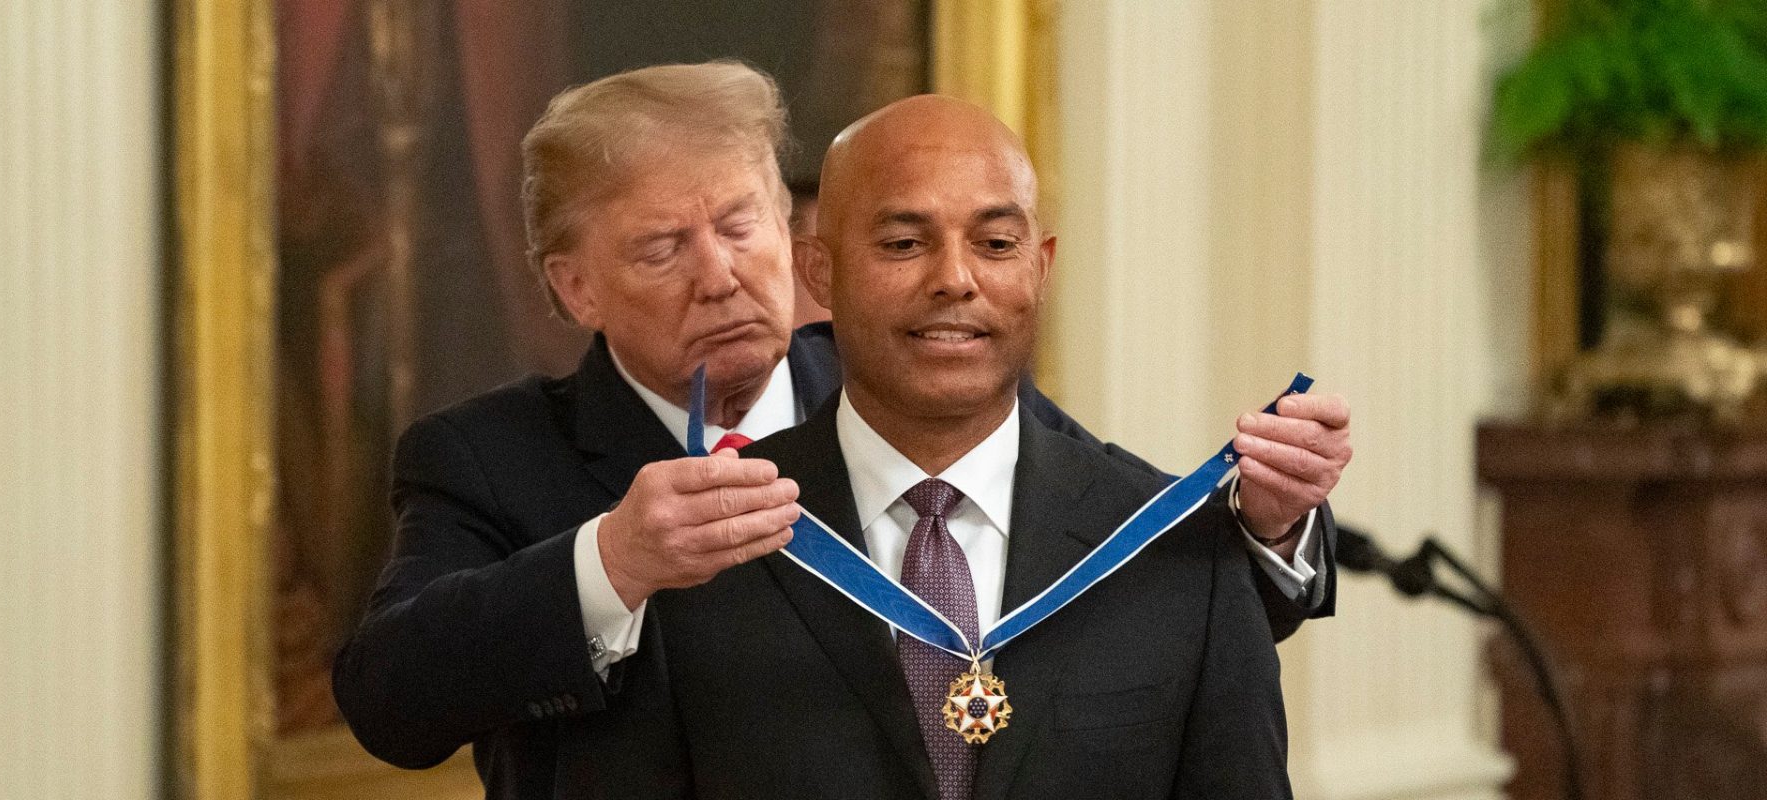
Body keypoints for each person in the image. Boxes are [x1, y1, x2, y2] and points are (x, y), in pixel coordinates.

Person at [333, 62, 1343, 796]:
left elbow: (1127, 569)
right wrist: (615, 562)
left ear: (798, 244)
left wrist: (1264, 527)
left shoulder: (923, 372)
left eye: (741, 225)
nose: (721, 274)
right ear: (574, 286)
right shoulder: (488, 458)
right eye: (662, 246)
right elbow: (391, 699)